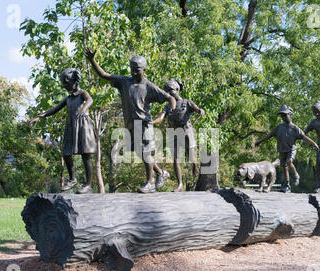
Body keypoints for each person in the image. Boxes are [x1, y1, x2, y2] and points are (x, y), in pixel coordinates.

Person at [85, 49, 176, 193]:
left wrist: (171, 108)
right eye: (132, 69)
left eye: (137, 70)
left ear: (144, 70)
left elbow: (170, 98)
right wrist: (92, 60)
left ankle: (150, 182)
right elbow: (104, 75)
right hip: (131, 124)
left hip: (144, 123)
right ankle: (161, 173)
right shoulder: (124, 82)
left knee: (146, 152)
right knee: (140, 152)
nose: (133, 73)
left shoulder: (149, 86)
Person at [30, 68, 96, 194]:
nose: (65, 87)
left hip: (83, 126)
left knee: (86, 155)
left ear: (74, 81)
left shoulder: (82, 93)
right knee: (66, 152)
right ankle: (72, 179)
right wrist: (40, 116)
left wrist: (83, 110)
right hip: (71, 126)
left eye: (66, 84)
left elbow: (90, 100)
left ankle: (88, 185)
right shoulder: (68, 98)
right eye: (63, 84)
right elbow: (55, 109)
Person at [152, 79, 205, 192]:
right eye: (166, 91)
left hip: (187, 131)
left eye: (170, 90)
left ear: (177, 90)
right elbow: (161, 118)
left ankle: (195, 166)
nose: (168, 93)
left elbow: (196, 109)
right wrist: (152, 121)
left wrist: (200, 111)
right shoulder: (167, 107)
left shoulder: (187, 102)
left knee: (191, 155)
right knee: (175, 159)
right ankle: (180, 184)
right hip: (173, 133)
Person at [255, 105, 319, 193]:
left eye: (285, 115)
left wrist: (314, 143)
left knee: (289, 162)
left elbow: (304, 137)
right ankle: (287, 185)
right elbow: (269, 135)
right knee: (284, 167)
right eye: (282, 116)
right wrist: (259, 141)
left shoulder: (295, 128)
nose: (283, 117)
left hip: (291, 149)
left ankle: (296, 175)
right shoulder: (279, 127)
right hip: (282, 150)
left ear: (290, 115)